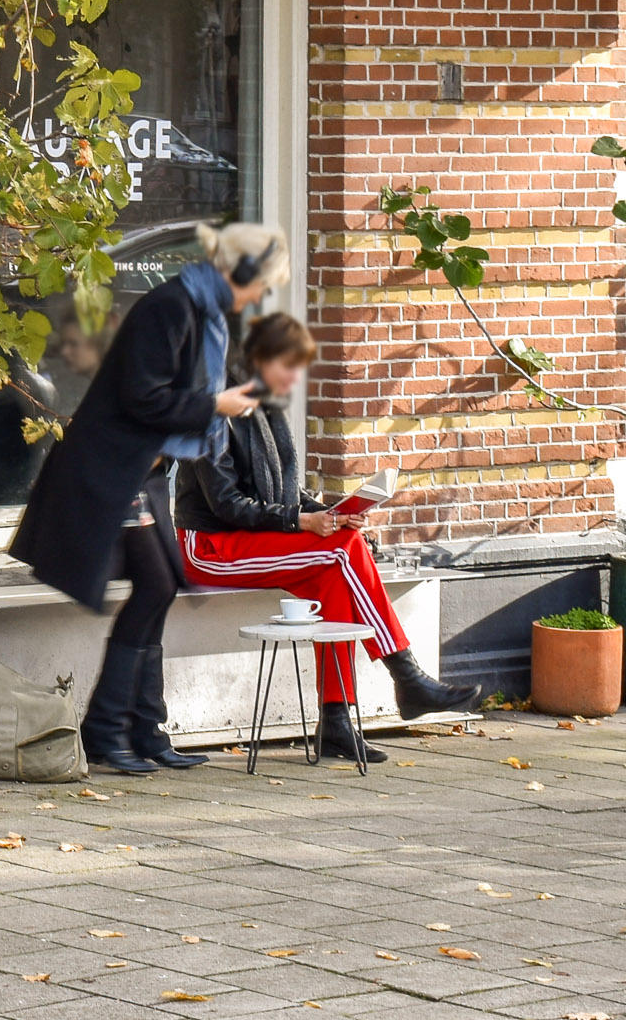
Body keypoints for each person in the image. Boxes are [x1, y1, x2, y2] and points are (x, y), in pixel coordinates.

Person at [10, 221, 282, 775]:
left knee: (161, 586)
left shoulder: (198, 310)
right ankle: (109, 730)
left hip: (144, 467)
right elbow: (142, 397)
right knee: (157, 585)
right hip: (117, 464)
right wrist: (216, 405)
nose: (261, 296)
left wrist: (219, 403)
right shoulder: (172, 308)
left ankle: (142, 731)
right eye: (263, 284)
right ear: (241, 271)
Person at [176, 313, 481, 765]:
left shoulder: (264, 409)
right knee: (343, 553)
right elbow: (227, 505)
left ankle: (336, 722)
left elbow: (285, 493)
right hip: (210, 548)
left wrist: (331, 514)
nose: (294, 378)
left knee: (336, 571)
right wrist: (301, 522)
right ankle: (406, 676)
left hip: (254, 541)